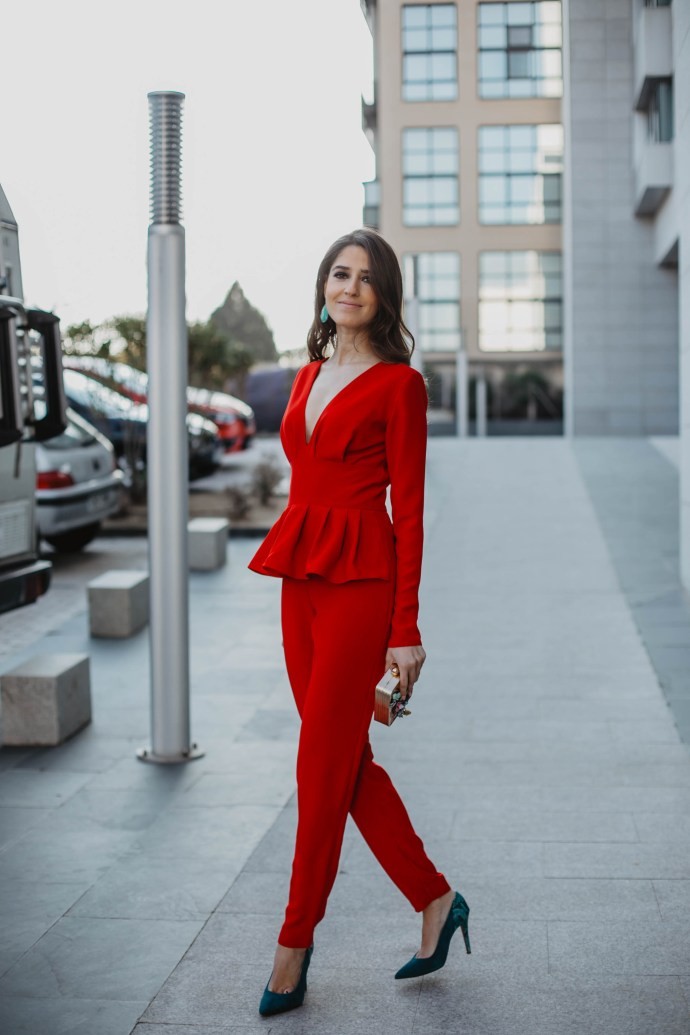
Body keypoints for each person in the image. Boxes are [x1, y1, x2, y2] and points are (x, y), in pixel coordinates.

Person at [248, 228, 470, 1018]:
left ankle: (293, 943)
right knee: (344, 759)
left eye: (365, 279)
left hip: (359, 584)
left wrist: (403, 629)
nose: (349, 287)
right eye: (339, 274)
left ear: (384, 297)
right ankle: (436, 899)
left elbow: (407, 513)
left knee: (319, 767)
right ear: (324, 285)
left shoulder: (399, 386)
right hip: (299, 575)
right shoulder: (309, 372)